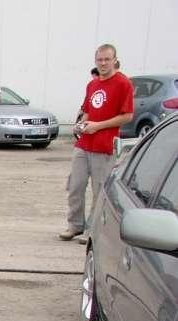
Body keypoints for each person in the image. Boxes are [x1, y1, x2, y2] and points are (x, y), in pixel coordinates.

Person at [59, 43, 134, 241]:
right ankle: (75, 225)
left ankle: (92, 229)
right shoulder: (92, 85)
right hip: (84, 144)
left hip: (105, 147)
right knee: (75, 186)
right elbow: (88, 111)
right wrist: (82, 124)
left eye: (107, 59)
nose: (103, 63)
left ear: (114, 60)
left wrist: (98, 126)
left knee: (99, 190)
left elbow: (127, 115)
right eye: (99, 60)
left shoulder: (123, 83)